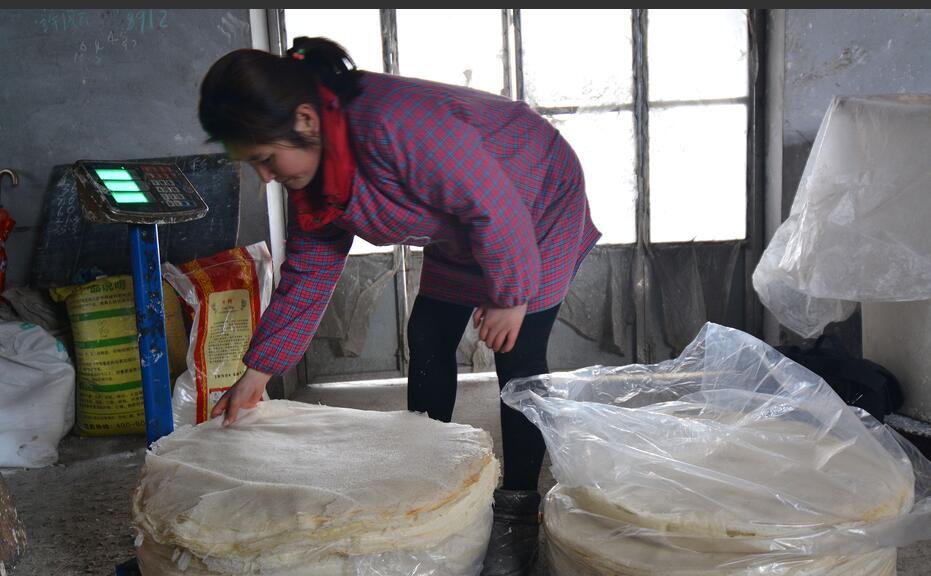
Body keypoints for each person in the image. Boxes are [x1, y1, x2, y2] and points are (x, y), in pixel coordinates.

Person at [199, 36, 600, 576]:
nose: (266, 177)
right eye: (255, 166)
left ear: (305, 119)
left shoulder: (397, 125)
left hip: (534, 202)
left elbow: (494, 206)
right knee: (431, 333)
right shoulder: (314, 181)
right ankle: (430, 472)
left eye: (267, 159)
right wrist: (258, 372)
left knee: (517, 354)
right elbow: (308, 276)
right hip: (462, 226)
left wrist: (510, 296)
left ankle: (519, 508)